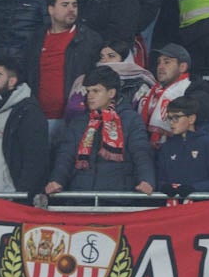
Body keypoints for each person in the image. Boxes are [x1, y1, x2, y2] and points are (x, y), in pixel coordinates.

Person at [45, 65, 154, 195]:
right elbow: (65, 156)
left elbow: (141, 153)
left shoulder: (131, 119)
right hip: (81, 197)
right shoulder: (78, 122)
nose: (90, 96)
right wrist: (57, 180)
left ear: (111, 93)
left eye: (96, 91)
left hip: (118, 197)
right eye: (88, 91)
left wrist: (146, 180)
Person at [0, 56, 50, 196]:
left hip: (9, 200)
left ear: (12, 81)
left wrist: (22, 196)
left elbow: (35, 161)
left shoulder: (28, 113)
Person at [25, 0, 103, 127]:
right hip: (37, 119)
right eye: (65, 5)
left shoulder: (90, 40)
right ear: (51, 9)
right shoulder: (35, 39)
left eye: (74, 5)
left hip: (75, 120)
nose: (71, 9)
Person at [136, 43, 209, 146]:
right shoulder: (152, 93)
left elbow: (205, 133)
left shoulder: (198, 95)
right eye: (159, 63)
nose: (160, 67)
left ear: (182, 67)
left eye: (167, 62)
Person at [155, 96, 209, 198]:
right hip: (174, 207)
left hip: (202, 208)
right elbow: (161, 180)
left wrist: (194, 188)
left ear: (191, 119)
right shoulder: (166, 147)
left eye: (176, 118)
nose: (171, 122)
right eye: (169, 118)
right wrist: (165, 187)